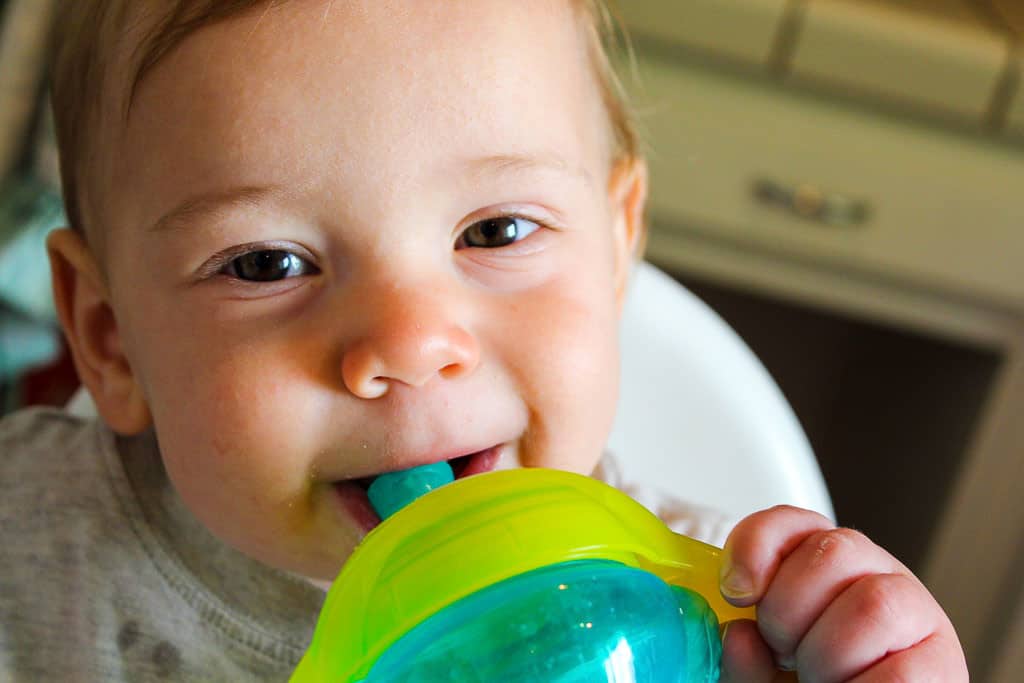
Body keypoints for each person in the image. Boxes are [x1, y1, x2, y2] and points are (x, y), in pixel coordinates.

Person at [0, 1, 967, 680]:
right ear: (109, 337)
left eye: (496, 231)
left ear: (614, 251)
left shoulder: (720, 609)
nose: (412, 344)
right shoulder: (24, 551)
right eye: (266, 263)